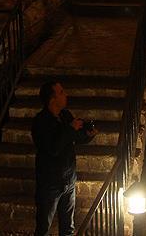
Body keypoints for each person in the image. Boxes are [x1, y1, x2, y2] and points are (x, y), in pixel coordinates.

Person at [32, 81, 98, 236]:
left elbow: (74, 136)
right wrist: (70, 128)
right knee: (43, 226)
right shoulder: (41, 122)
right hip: (50, 182)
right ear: (52, 99)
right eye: (61, 92)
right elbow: (53, 148)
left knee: (68, 226)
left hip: (68, 179)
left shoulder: (65, 115)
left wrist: (87, 135)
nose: (65, 94)